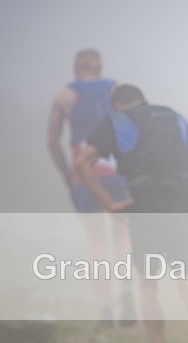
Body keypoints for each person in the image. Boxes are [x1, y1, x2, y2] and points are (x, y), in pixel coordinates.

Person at [75, 84, 188, 343]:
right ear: (142, 98)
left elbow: (82, 162)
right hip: (184, 205)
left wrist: (111, 205)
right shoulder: (176, 118)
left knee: (148, 283)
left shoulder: (116, 121)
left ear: (117, 104)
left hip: (146, 206)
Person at [47, 48, 136, 326]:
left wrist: (68, 175)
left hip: (84, 171)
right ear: (100, 66)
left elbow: (52, 142)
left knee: (96, 243)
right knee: (123, 237)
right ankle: (126, 291)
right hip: (117, 170)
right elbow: (133, 128)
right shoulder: (117, 90)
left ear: (76, 67)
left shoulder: (65, 96)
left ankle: (104, 308)